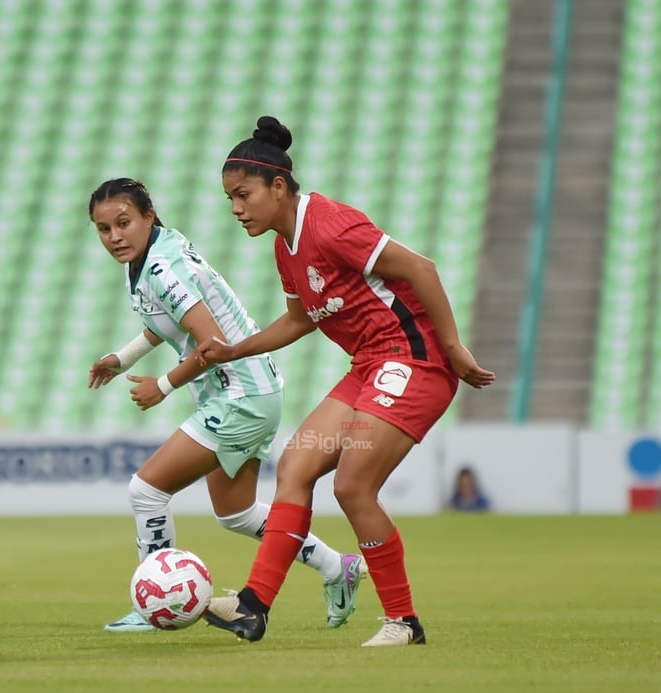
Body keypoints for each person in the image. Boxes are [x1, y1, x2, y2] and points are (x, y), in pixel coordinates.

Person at [197, 117, 495, 647]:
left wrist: (453, 349)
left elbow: (422, 269)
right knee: (296, 465)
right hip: (369, 366)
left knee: (353, 485)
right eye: (229, 199)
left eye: (243, 195)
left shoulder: (331, 225)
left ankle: (404, 622)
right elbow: (299, 319)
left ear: (278, 186)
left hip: (415, 359)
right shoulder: (285, 246)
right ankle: (253, 606)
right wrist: (233, 349)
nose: (237, 208)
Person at [87, 178, 367, 633]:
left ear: (148, 217)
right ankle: (339, 568)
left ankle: (156, 600)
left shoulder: (162, 267)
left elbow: (210, 340)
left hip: (242, 394)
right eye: (103, 229)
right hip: (250, 389)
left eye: (123, 223)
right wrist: (122, 359)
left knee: (147, 490)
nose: (114, 237)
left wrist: (162, 384)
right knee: (237, 513)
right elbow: (165, 322)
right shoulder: (147, 256)